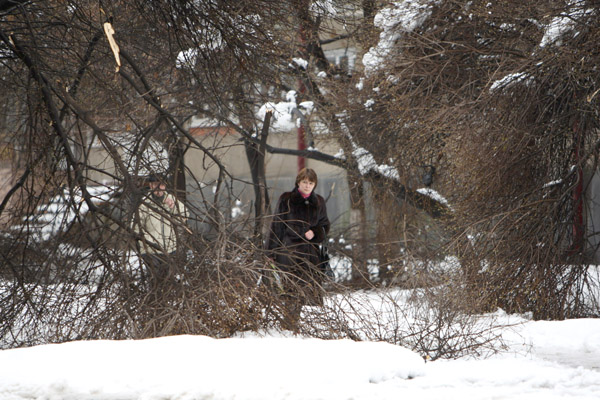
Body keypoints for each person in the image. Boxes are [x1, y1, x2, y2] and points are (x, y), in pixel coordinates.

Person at [266, 168, 330, 326]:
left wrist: (315, 233)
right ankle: (289, 322)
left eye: (311, 183)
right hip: (289, 252)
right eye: (304, 182)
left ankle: (293, 322)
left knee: (304, 290)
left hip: (309, 255)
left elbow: (325, 226)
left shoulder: (319, 202)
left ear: (314, 184)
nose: (307, 186)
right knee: (289, 289)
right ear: (298, 182)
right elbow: (277, 225)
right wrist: (271, 251)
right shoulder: (286, 199)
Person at [135, 173, 188, 295]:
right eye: (155, 184)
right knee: (155, 281)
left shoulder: (170, 200)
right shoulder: (145, 204)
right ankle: (155, 305)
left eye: (161, 185)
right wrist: (146, 241)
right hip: (151, 250)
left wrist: (174, 206)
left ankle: (166, 306)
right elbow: (136, 226)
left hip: (169, 249)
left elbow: (185, 216)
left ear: (165, 186)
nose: (158, 188)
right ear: (151, 186)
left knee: (168, 282)